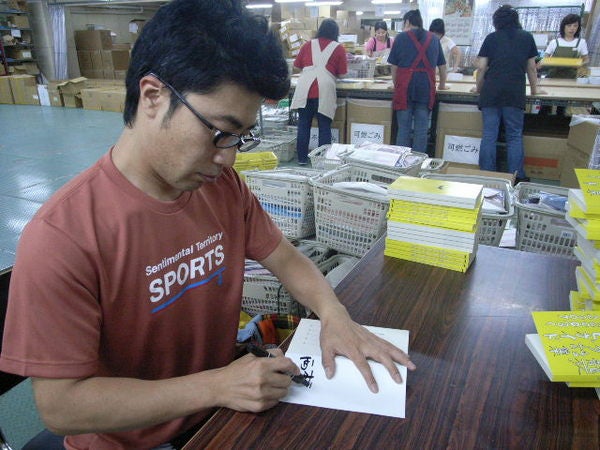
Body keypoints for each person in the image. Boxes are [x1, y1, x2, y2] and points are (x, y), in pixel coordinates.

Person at [0, 1, 415, 449]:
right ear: (153, 96)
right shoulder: (65, 235)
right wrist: (217, 386)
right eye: (220, 132)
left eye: (240, 137)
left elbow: (285, 257)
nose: (228, 157)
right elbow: (61, 407)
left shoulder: (221, 188)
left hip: (221, 414)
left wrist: (335, 316)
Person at [471, 4, 544, 182]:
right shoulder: (527, 37)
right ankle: (516, 177)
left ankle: (487, 175)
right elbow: (531, 68)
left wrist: (478, 88)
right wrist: (535, 90)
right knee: (514, 136)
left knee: (489, 135)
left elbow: (482, 67)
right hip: (514, 92)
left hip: (491, 92)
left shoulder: (491, 38)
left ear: (497, 21)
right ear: (516, 20)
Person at [388, 9, 448, 155]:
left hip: (405, 88)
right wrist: (442, 85)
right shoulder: (434, 39)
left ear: (407, 22)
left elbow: (394, 67)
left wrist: (396, 85)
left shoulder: (400, 38)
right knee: (421, 130)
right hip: (426, 88)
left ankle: (401, 162)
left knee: (404, 129)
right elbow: (442, 66)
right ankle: (419, 163)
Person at [291, 19, 347, 165]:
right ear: (336, 33)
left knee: (303, 125)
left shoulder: (308, 45)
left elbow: (297, 66)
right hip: (324, 89)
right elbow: (342, 74)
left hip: (305, 88)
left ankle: (302, 159)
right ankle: (321, 161)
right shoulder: (338, 48)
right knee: (324, 126)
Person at [543, 13, 589, 79]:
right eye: (569, 25)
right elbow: (545, 58)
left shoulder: (581, 42)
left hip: (572, 78)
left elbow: (586, 60)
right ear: (563, 27)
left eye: (575, 26)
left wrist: (581, 65)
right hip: (553, 77)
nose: (572, 28)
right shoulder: (554, 42)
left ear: (578, 27)